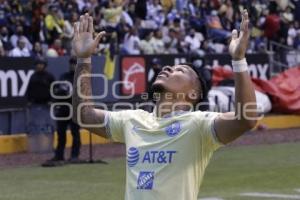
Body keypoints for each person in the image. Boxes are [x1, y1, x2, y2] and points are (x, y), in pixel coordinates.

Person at [72, 11, 257, 200]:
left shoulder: (198, 125)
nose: (168, 68)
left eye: (181, 70)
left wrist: (239, 60)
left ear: (192, 94)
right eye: (171, 67)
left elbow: (246, 119)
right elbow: (84, 115)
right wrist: (83, 60)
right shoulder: (132, 119)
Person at [42, 57, 81, 167]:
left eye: (75, 64)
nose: (73, 66)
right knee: (60, 133)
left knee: (75, 133)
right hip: (63, 108)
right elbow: (58, 90)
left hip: (75, 108)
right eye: (71, 64)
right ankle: (59, 155)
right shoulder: (64, 76)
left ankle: (74, 156)